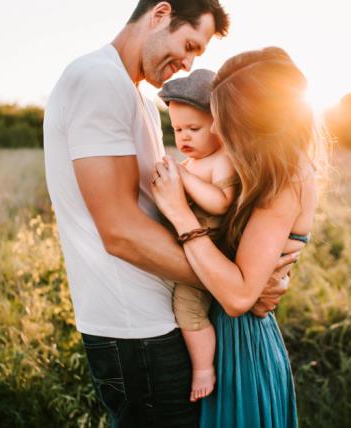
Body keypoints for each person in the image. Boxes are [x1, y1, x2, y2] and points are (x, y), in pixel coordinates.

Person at [43, 1, 300, 426]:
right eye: (189, 44)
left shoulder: (138, 99)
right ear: (160, 13)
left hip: (161, 320)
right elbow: (120, 231)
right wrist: (239, 287)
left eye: (197, 54)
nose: (188, 64)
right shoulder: (97, 81)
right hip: (137, 330)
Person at [151, 46, 325, 427]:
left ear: (256, 121)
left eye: (223, 118)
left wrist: (180, 215)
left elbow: (238, 296)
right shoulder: (261, 169)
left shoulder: (285, 178)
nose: (214, 128)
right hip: (226, 336)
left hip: (241, 346)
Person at [158, 69, 238, 402]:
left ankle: (204, 367)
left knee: (187, 308)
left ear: (219, 126)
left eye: (193, 129)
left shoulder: (222, 161)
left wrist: (183, 177)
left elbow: (221, 203)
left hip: (208, 257)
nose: (184, 138)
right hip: (188, 249)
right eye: (177, 130)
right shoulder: (193, 162)